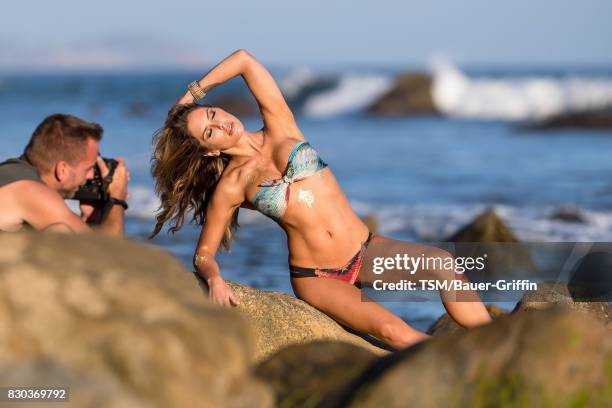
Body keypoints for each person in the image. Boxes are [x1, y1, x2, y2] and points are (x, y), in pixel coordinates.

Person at [151, 49, 492, 349]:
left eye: (213, 115)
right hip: (317, 276)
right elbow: (204, 253)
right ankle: (457, 368)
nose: (222, 124)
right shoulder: (232, 185)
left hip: (365, 249)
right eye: (209, 132)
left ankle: (501, 344)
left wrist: (192, 93)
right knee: (392, 331)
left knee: (442, 264)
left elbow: (244, 60)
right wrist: (214, 280)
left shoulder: (280, 125)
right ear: (210, 151)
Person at [0, 114, 129, 236]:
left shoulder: (12, 173)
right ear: (62, 170)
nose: (91, 176)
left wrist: (92, 219)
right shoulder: (30, 191)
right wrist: (117, 198)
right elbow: (108, 254)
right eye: (89, 168)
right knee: (59, 230)